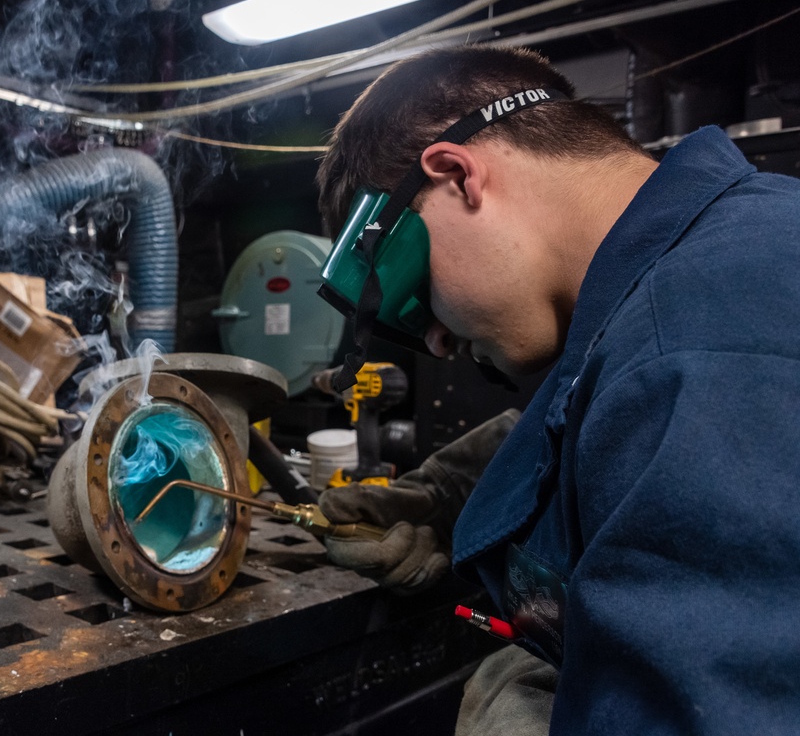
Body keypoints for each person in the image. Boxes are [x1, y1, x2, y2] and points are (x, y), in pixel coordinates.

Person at [314, 44, 800, 735]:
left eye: (409, 295)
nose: (436, 341)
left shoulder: (695, 350)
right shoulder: (731, 256)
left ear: (457, 174)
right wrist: (486, 491)